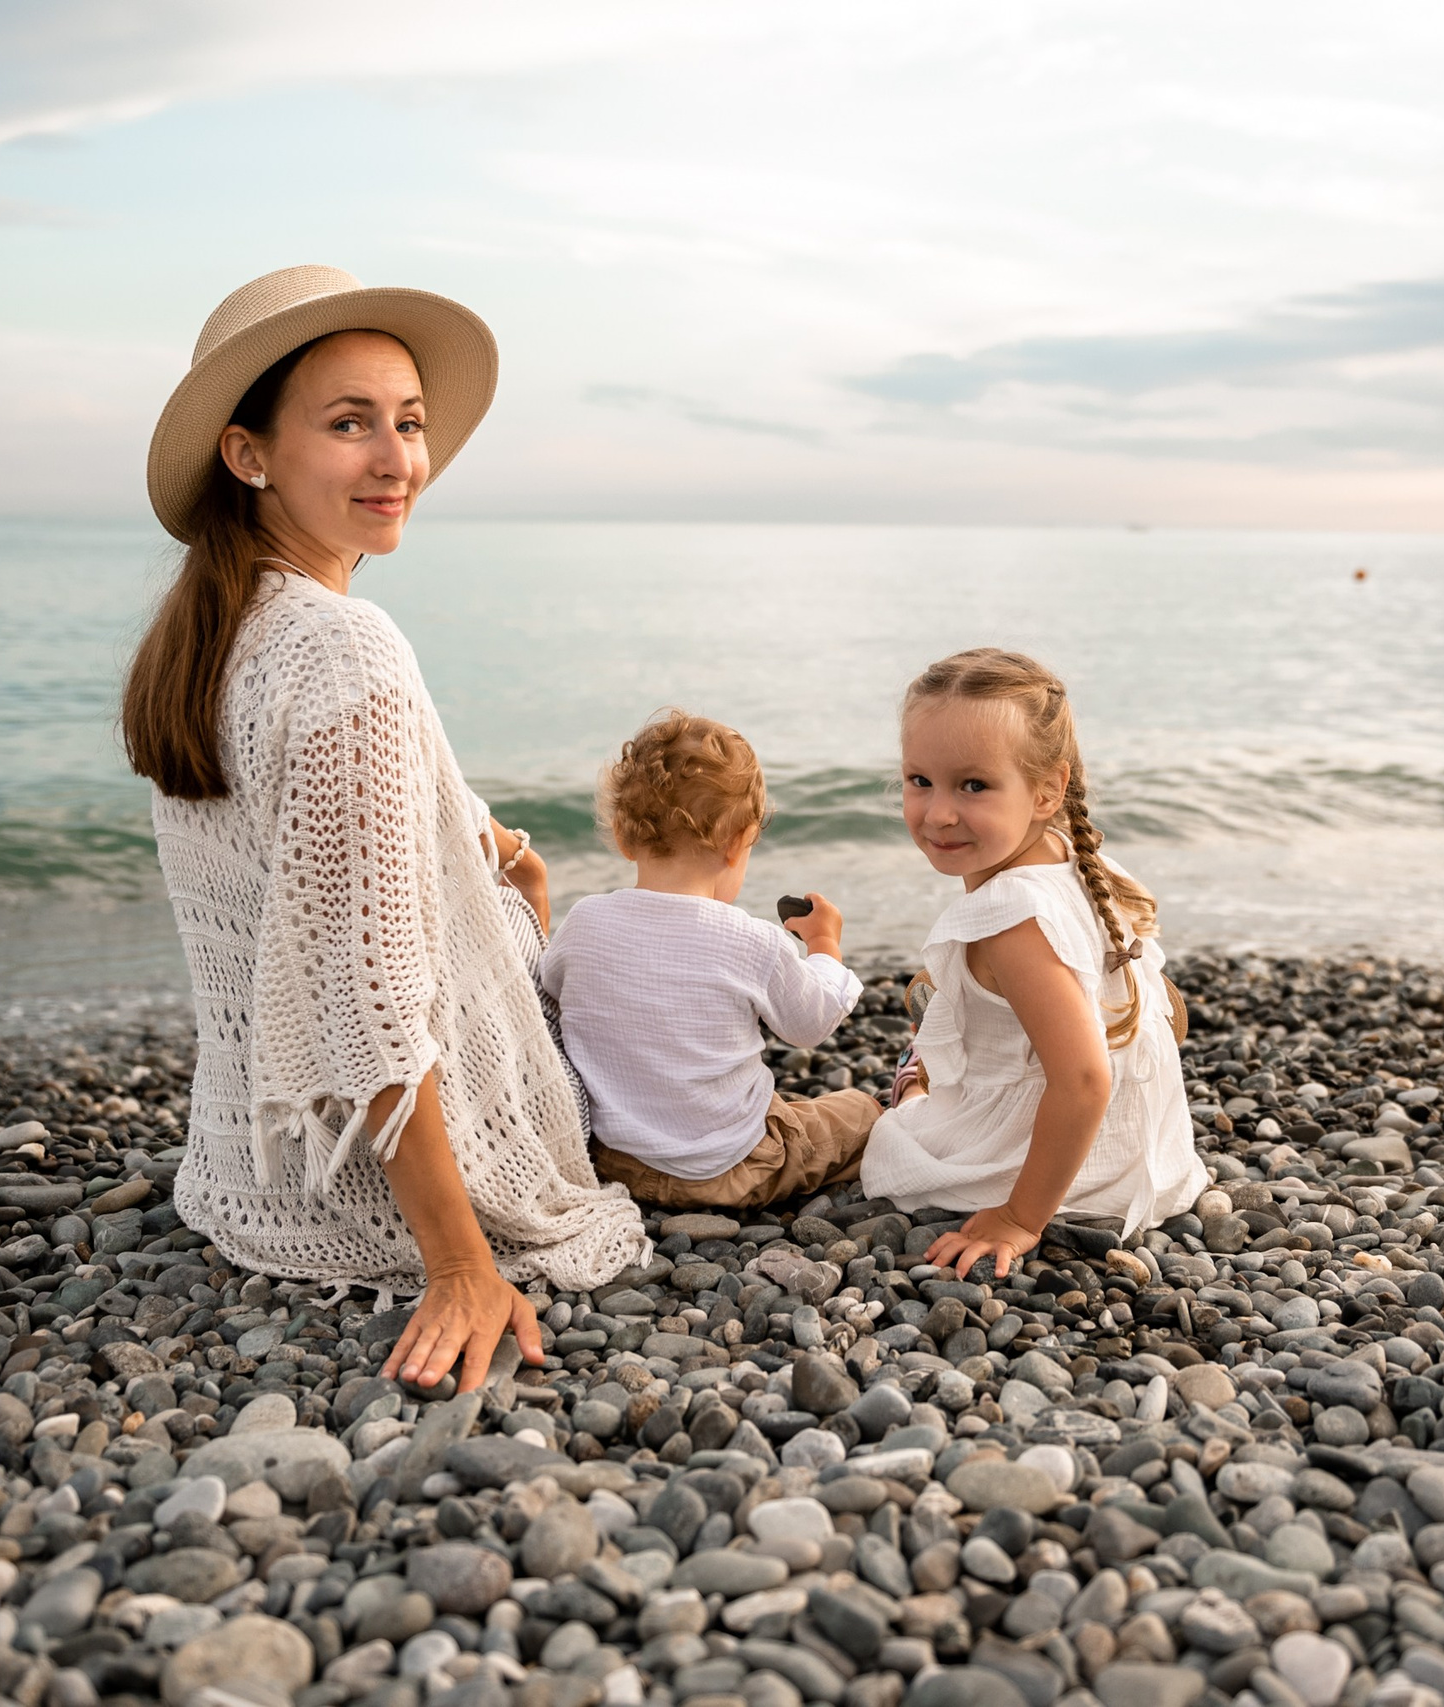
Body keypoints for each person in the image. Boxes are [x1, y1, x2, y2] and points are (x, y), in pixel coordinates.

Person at [123, 265, 648, 1394]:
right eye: (348, 423)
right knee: (768, 1123)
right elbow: (362, 998)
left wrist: (500, 859)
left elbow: (320, 875)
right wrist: (458, 1264)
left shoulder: (216, 633)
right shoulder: (339, 649)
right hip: (373, 1199)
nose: (396, 458)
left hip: (243, 1173)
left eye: (408, 423)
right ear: (248, 453)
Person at [861, 648, 1205, 1276]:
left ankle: (918, 1079)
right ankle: (931, 1061)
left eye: (974, 785)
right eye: (920, 781)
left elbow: (1083, 1080)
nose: (938, 812)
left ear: (1049, 789)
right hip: (1138, 1151)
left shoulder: (1013, 918)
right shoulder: (1072, 853)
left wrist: (1019, 1219)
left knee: (886, 1136)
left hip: (1058, 1171)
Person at [542, 711, 881, 1207]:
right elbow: (811, 1024)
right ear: (738, 842)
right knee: (862, 1111)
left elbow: (552, 988)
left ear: (621, 834)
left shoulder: (584, 922)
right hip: (731, 1166)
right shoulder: (752, 940)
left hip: (616, 1160)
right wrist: (824, 945)